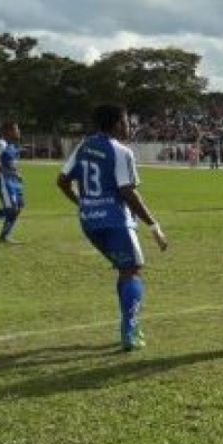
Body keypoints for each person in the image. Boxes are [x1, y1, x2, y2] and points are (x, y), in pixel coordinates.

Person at [57, 105, 168, 351]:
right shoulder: (120, 151)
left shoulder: (83, 146)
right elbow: (127, 191)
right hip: (115, 220)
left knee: (124, 268)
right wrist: (153, 225)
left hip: (89, 222)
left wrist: (82, 203)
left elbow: (62, 181)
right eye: (127, 121)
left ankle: (128, 325)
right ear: (117, 124)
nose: (129, 126)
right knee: (132, 269)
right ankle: (129, 331)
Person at [0, 121, 24, 243]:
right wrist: (9, 173)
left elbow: (10, 164)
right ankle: (4, 236)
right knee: (11, 209)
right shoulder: (1, 143)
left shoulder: (12, 145)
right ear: (8, 131)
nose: (18, 131)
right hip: (4, 180)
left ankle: (5, 236)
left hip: (14, 181)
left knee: (19, 206)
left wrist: (17, 174)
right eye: (16, 129)